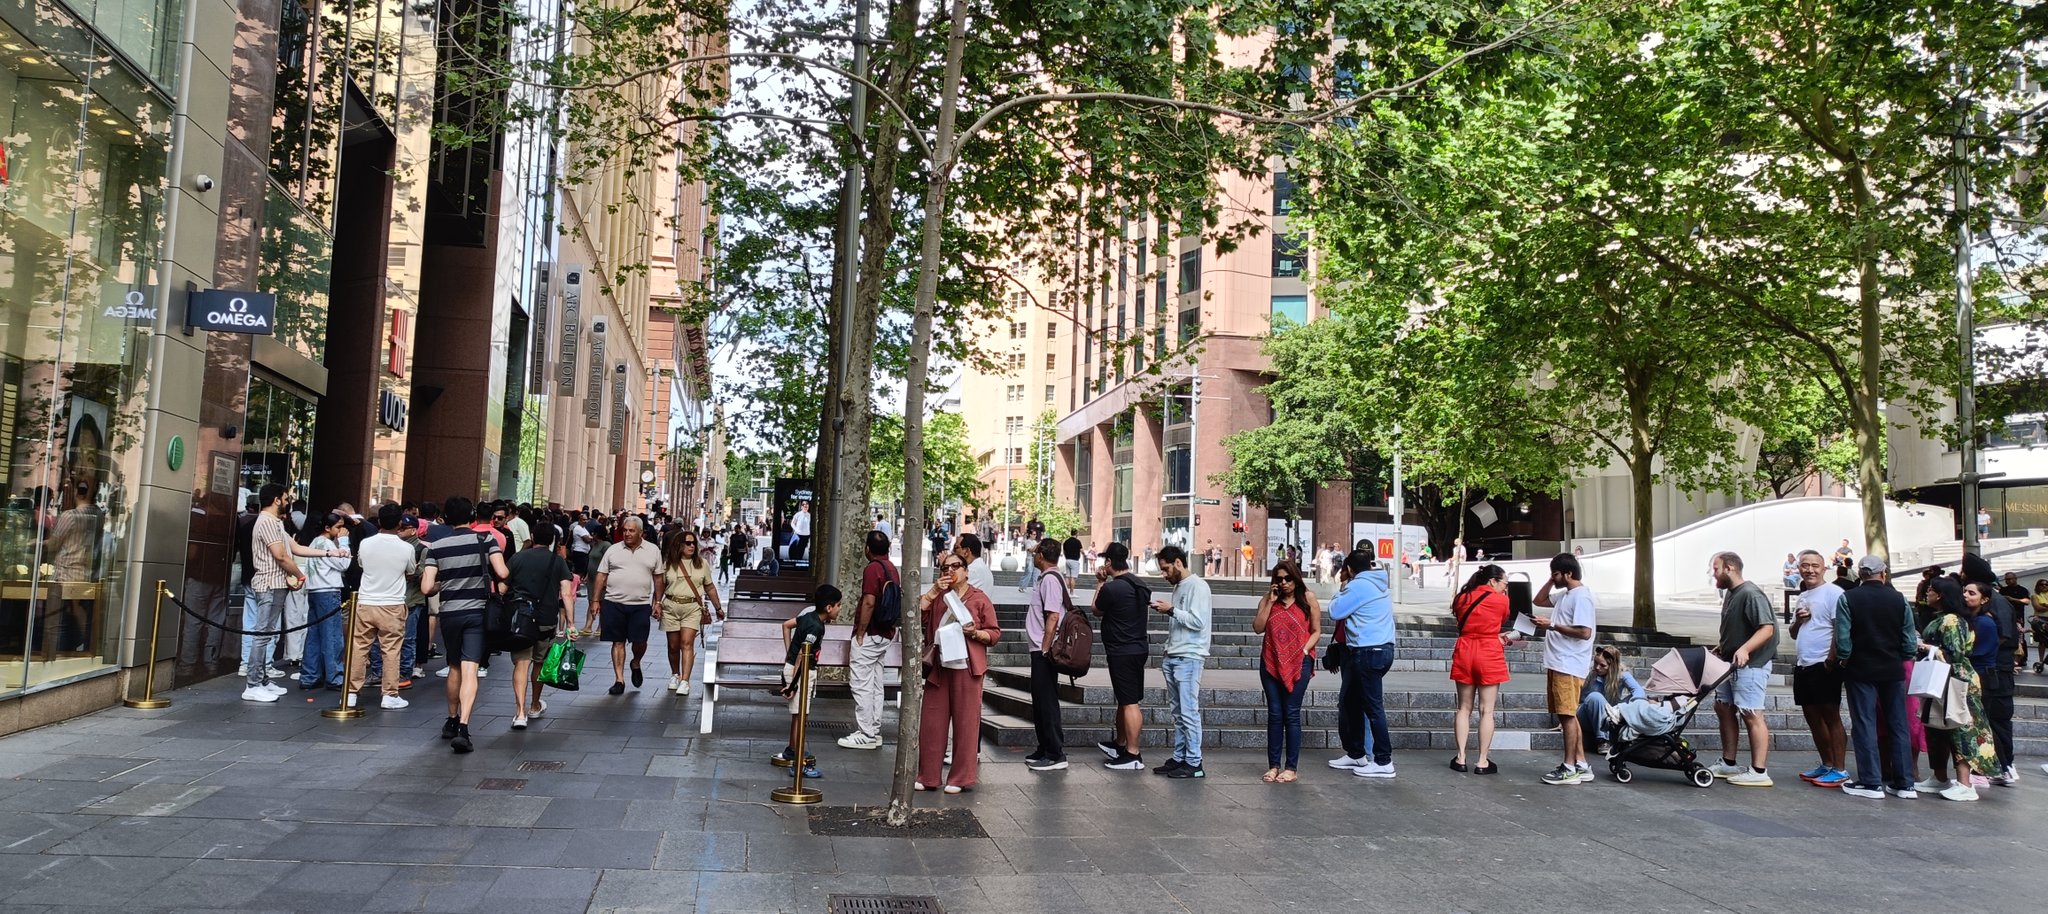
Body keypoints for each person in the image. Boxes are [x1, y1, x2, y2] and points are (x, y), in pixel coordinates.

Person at [420, 496, 511, 753]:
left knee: (454, 667)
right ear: (471, 516)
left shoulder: (436, 547)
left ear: (447, 518)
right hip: (477, 611)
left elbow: (427, 587)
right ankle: (464, 726)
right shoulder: (486, 540)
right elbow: (503, 573)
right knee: (470, 668)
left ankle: (451, 719)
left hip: (450, 613)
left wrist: (446, 582)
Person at [241, 484, 343, 702]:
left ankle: (262, 680)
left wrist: (328, 552)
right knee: (262, 635)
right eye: (286, 498)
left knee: (267, 634)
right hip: (269, 584)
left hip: (276, 584)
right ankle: (253, 683)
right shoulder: (267, 522)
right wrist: (299, 575)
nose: (289, 502)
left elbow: (296, 549)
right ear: (276, 500)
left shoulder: (276, 522)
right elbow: (281, 556)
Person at [1834, 556, 1921, 800]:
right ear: (1883, 573)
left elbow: (1843, 637)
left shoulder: (1848, 598)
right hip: (1893, 669)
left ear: (1860, 574)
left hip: (1861, 668)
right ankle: (1905, 783)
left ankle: (1871, 781)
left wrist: (1844, 658)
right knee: (1898, 724)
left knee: (1864, 723)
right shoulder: (1898, 599)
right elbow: (1909, 639)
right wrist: (1903, 656)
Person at [914, 551, 1001, 793]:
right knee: (931, 722)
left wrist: (975, 633)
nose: (950, 571)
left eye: (955, 566)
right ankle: (928, 775)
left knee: (966, 723)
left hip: (967, 667)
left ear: (966, 571)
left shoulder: (979, 598)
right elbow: (916, 615)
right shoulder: (939, 597)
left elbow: (994, 633)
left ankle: (960, 778)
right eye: (945, 568)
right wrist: (933, 591)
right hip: (939, 666)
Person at [1919, 580, 2001, 801]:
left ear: (1941, 595)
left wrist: (1928, 647)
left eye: (1931, 590)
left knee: (1960, 728)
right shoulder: (1946, 618)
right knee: (1936, 726)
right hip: (1942, 679)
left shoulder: (1952, 620)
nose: (1927, 593)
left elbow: (1954, 653)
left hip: (1955, 681)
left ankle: (1965, 784)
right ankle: (1939, 777)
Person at [1705, 552, 1779, 787]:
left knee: (1751, 713)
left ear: (1729, 567)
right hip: (1731, 662)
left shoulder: (1750, 593)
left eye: (1715, 569)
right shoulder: (1732, 593)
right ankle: (1728, 763)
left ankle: (1759, 771)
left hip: (1752, 664)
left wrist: (1745, 649)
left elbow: (1766, 629)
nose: (1713, 574)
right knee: (1723, 707)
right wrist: (1723, 647)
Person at [1327, 550, 1396, 778]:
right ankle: (1356, 753)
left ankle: (1384, 761)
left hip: (1368, 652)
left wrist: (1341, 590)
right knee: (1351, 701)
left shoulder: (1358, 586)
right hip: (1381, 650)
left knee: (1373, 707)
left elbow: (1335, 611)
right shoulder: (1379, 584)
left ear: (1349, 568)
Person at [1534, 553, 1597, 785]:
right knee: (1567, 714)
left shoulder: (1581, 597)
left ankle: (1569, 767)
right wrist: (1552, 580)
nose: (1554, 578)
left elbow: (1585, 632)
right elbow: (1538, 600)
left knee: (1567, 716)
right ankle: (1581, 764)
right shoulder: (1566, 594)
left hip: (1568, 663)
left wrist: (1551, 625)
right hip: (1559, 661)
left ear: (1568, 574)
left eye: (1557, 574)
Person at [1254, 560, 1319, 783]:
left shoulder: (1308, 598)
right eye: (1279, 579)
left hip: (1299, 662)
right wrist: (1271, 602)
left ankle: (1291, 768)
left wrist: (1304, 650)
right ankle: (1273, 765)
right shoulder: (1268, 599)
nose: (1283, 583)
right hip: (1271, 662)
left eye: (1287, 578)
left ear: (1296, 578)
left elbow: (1316, 631)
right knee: (1275, 713)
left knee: (1291, 713)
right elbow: (1258, 628)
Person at [1150, 544, 1211, 779]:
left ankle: (1194, 762)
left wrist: (1171, 610)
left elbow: (1198, 622)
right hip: (1175, 654)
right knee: (1178, 712)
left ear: (1178, 563)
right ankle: (1180, 757)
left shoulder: (1197, 586)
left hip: (1189, 656)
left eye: (1166, 569)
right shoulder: (1180, 586)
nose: (1164, 575)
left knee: (1188, 712)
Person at [505, 521, 573, 728]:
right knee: (539, 662)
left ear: (533, 537)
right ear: (552, 540)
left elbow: (502, 587)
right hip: (546, 620)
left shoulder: (517, 558)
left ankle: (519, 713)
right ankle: (534, 705)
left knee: (521, 663)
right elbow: (566, 593)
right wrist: (570, 623)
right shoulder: (558, 561)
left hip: (521, 620)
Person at [1789, 549, 1848, 787]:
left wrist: (1831, 660)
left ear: (1824, 568)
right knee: (1812, 717)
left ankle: (1840, 769)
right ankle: (1826, 763)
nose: (1810, 570)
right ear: (1799, 569)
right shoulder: (1803, 596)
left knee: (1831, 716)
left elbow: (1839, 628)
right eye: (1805, 565)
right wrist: (1799, 620)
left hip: (1824, 663)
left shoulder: (1834, 593)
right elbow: (1794, 633)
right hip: (1804, 664)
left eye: (1815, 565)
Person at [350, 504, 416, 711]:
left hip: (366, 601)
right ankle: (389, 694)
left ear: (379, 521)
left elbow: (362, 565)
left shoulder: (366, 544)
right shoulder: (407, 548)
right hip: (393, 604)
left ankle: (351, 693)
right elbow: (411, 571)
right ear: (399, 523)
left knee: (359, 648)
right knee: (391, 650)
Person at [1092, 542, 1152, 770]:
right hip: (1138, 647)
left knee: (1129, 702)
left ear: (1109, 562)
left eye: (1105, 561)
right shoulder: (1139, 583)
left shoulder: (1112, 588)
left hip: (1121, 650)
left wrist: (1100, 583)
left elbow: (1096, 609)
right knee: (1126, 698)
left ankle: (1133, 753)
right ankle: (1120, 743)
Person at [1448, 564, 1511, 773]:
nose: (1505, 588)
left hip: (1465, 650)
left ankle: (1461, 758)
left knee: (1463, 708)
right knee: (1487, 710)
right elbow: (1501, 619)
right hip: (1489, 652)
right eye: (1504, 583)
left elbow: (1461, 620)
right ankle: (1482, 761)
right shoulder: (1501, 600)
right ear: (1493, 581)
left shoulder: (1462, 597)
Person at [589, 516, 662, 696]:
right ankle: (619, 680)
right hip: (614, 603)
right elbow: (601, 575)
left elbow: (658, 578)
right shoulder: (613, 550)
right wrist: (595, 600)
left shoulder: (653, 550)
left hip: (640, 604)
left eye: (631, 530)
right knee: (618, 641)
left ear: (641, 532)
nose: (627, 534)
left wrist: (658, 602)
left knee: (640, 641)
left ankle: (636, 662)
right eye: (625, 530)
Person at [839, 531, 899, 750]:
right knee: (875, 682)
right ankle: (874, 729)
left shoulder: (872, 569)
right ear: (888, 548)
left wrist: (860, 633)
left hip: (871, 633)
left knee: (861, 683)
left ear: (867, 549)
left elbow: (869, 602)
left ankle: (865, 733)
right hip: (886, 633)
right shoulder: (891, 568)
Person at [1963, 555, 2020, 786]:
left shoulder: (1996, 605)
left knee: (1995, 719)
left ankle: (2004, 766)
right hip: (1994, 669)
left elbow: (2003, 635)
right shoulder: (1992, 604)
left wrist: (1982, 648)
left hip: (1996, 670)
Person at [775, 585, 840, 780]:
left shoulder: (807, 616)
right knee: (802, 716)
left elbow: (786, 625)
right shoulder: (816, 627)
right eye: (838, 605)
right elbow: (801, 658)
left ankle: (792, 750)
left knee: (798, 716)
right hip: (801, 674)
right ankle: (798, 764)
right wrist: (793, 685)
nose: (839, 609)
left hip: (795, 670)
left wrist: (789, 651)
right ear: (829, 607)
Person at [656, 528, 723, 697]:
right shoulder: (668, 564)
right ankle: (675, 674)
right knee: (673, 646)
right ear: (679, 545)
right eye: (688, 543)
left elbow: (709, 587)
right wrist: (656, 603)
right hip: (671, 606)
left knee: (686, 643)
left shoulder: (702, 564)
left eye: (693, 543)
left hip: (692, 607)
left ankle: (685, 681)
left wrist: (718, 608)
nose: (692, 546)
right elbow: (661, 585)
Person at [1024, 538, 1071, 772]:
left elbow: (1053, 615)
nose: (1033, 556)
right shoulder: (1047, 578)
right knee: (1040, 700)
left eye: (1035, 552)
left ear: (1041, 555)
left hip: (1045, 650)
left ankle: (1055, 753)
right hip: (1040, 648)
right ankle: (1044, 748)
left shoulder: (1051, 579)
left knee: (1047, 700)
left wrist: (1045, 647)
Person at [298, 513, 354, 691]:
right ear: (327, 528)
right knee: (332, 635)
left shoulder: (314, 542)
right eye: (338, 527)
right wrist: (344, 542)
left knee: (313, 635)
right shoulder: (328, 544)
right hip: (328, 591)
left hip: (314, 590)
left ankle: (310, 675)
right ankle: (335, 676)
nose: (341, 530)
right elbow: (344, 564)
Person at [1577, 645, 1643, 757]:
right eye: (1596, 662)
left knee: (1637, 700)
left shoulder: (1622, 674)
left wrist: (1621, 708)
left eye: (1603, 665)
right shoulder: (1590, 672)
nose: (1597, 667)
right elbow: (1576, 697)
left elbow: (1639, 692)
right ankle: (1603, 740)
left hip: (1608, 716)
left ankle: (1618, 730)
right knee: (1595, 697)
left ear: (1612, 666)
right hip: (1586, 714)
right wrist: (1569, 719)